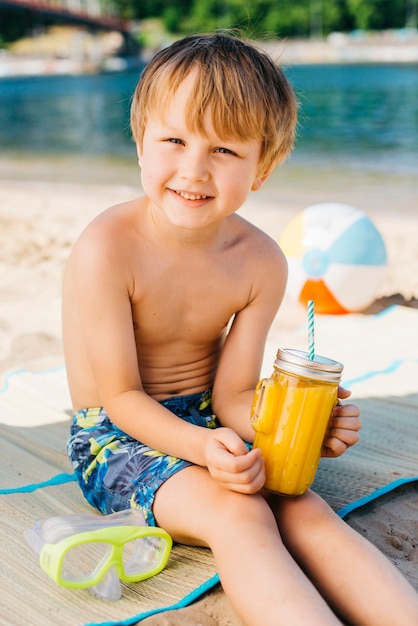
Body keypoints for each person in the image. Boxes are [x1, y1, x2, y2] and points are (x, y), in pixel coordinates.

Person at [63, 32, 418, 626]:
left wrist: (295, 431)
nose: (194, 169)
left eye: (224, 150)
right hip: (116, 437)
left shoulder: (260, 262)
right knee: (242, 514)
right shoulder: (107, 248)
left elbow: (230, 395)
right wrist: (203, 449)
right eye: (173, 140)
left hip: (208, 421)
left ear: (263, 167)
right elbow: (120, 399)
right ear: (141, 143)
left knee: (303, 506)